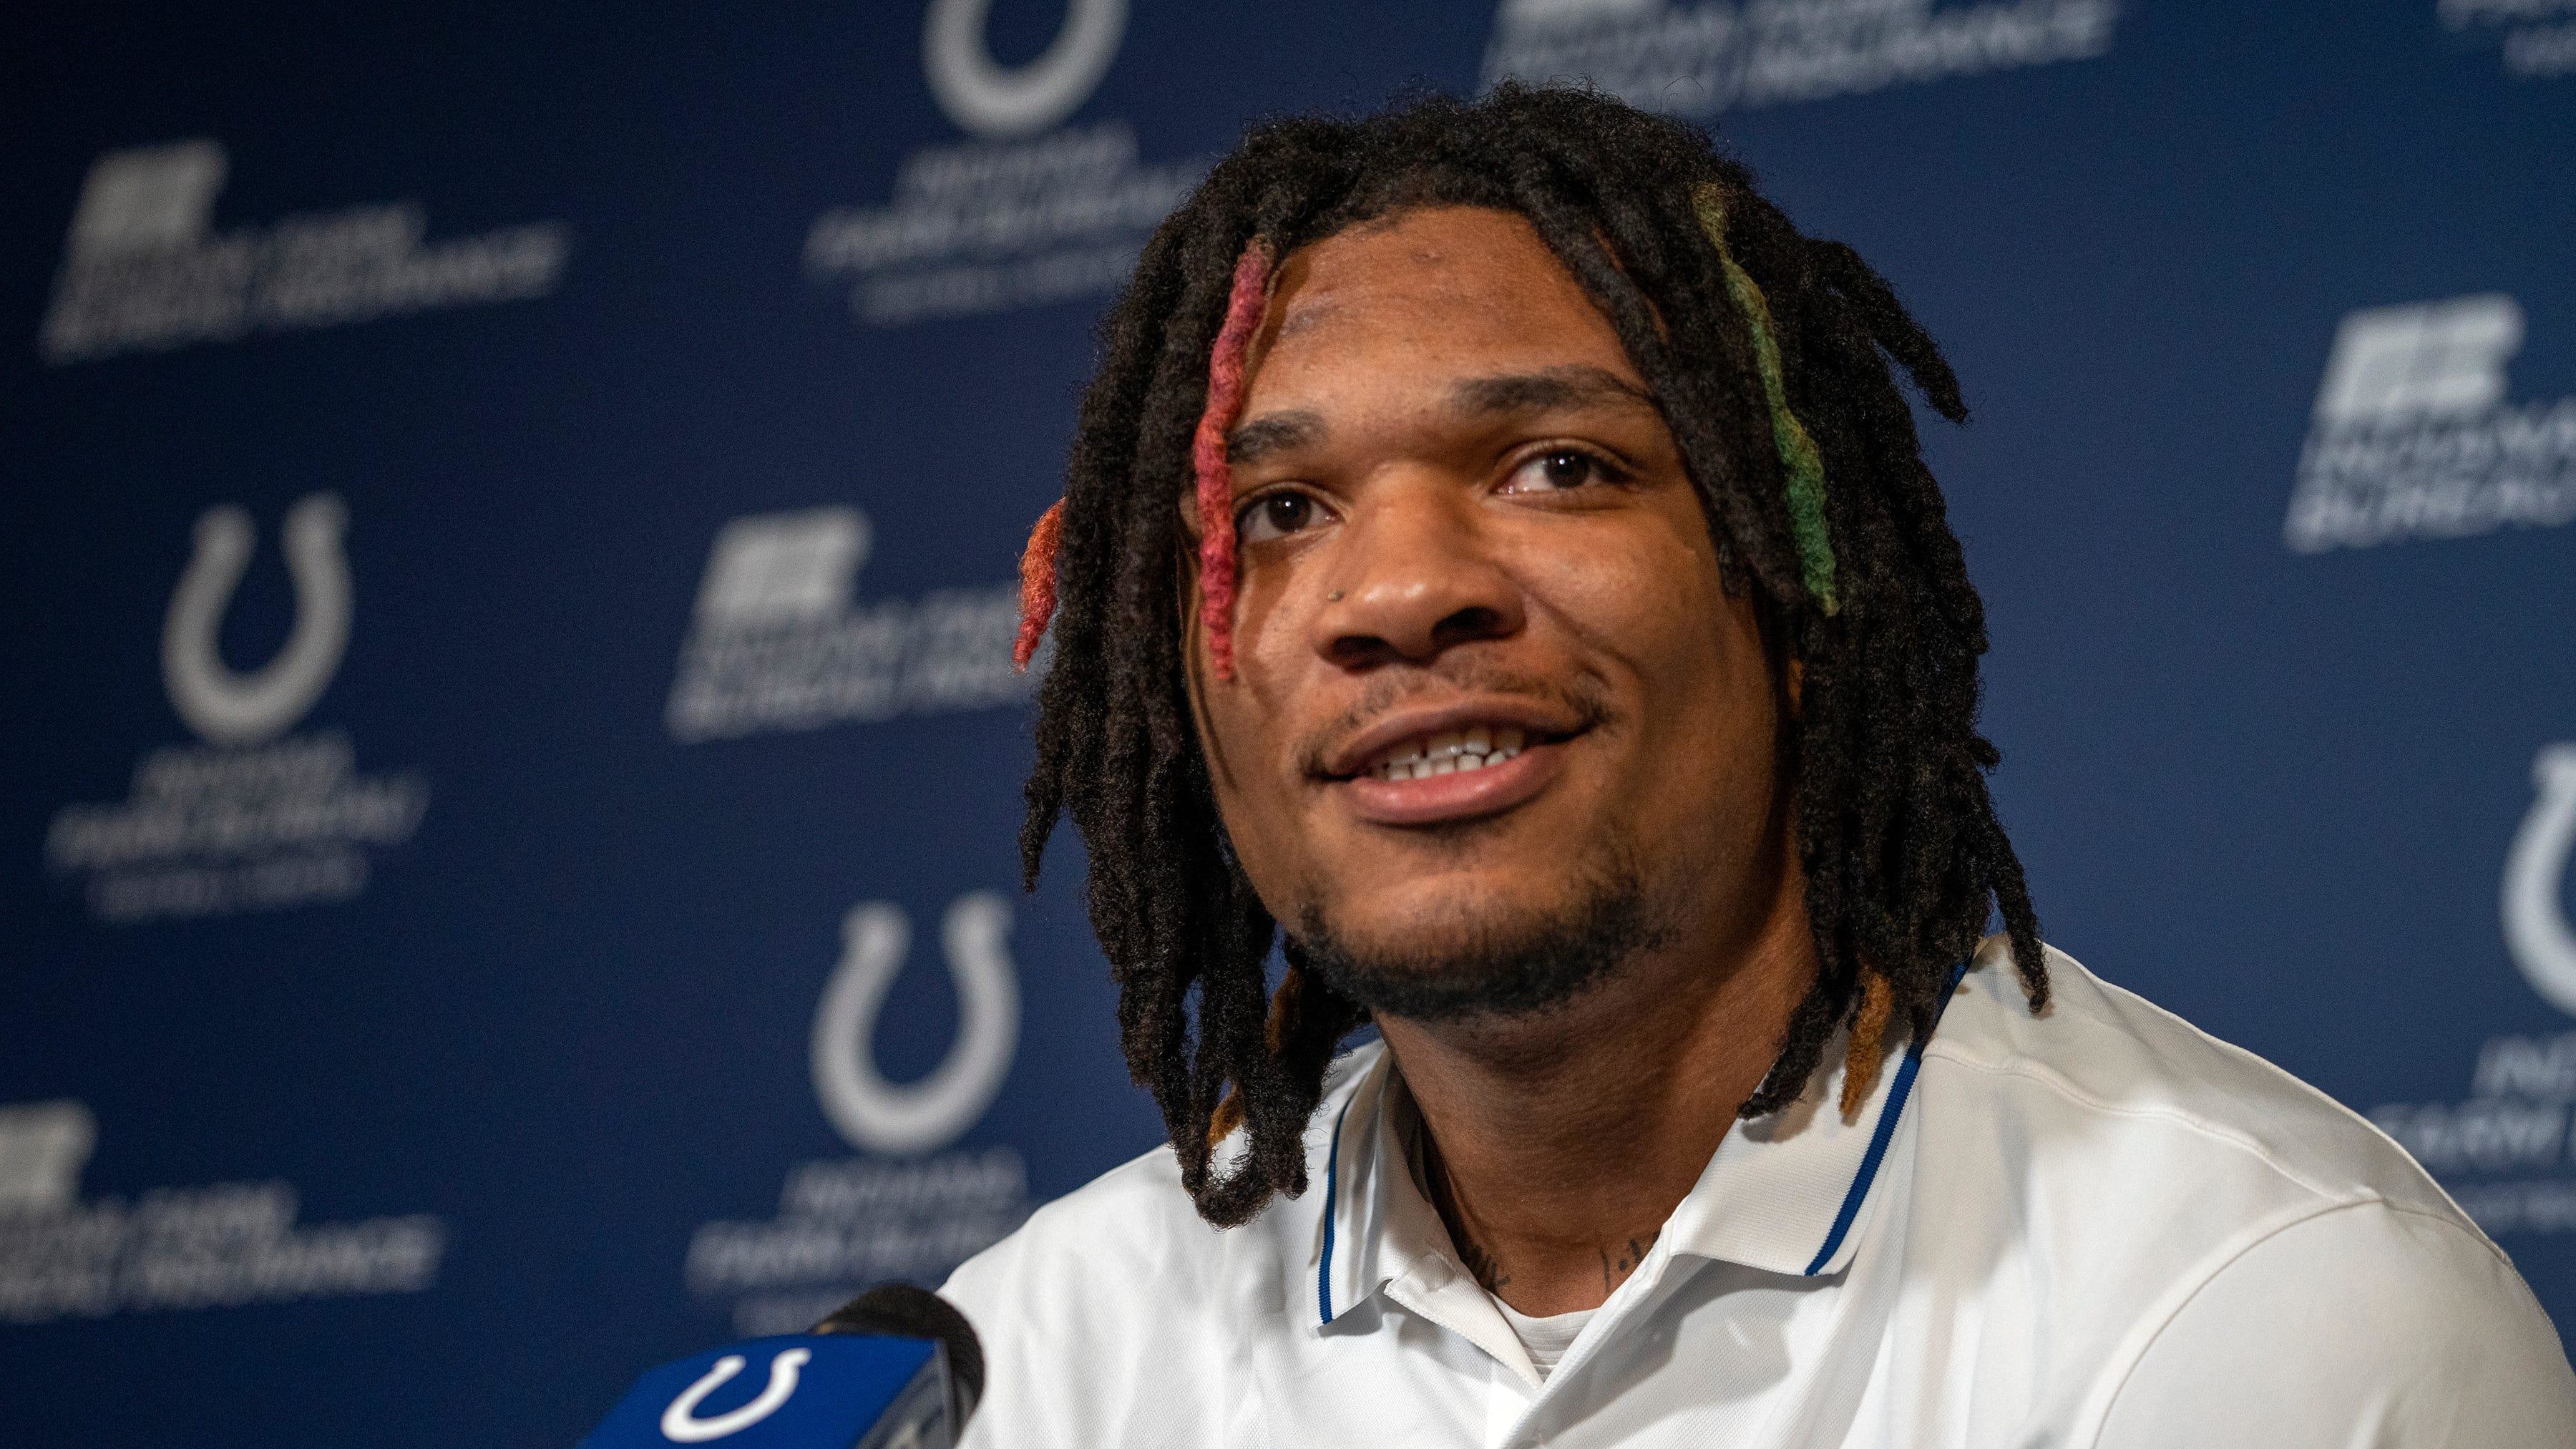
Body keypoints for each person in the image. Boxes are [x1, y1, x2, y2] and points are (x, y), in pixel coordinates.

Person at [943, 85, 2576, 1446]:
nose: (1396, 590)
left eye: (1557, 466)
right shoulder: (1023, 1371)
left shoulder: (2264, 1316)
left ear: (1796, 584)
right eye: (1279, 511)